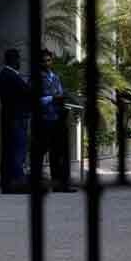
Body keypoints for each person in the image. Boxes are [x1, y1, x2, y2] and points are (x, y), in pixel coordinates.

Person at [30, 49, 77, 193]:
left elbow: (61, 94)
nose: (46, 63)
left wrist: (64, 98)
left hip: (58, 120)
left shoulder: (55, 77)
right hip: (43, 120)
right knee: (39, 154)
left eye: (48, 60)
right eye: (43, 61)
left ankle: (60, 185)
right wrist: (52, 98)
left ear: (52, 61)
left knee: (58, 154)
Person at [0, 49, 31, 191]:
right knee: (18, 149)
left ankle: (10, 183)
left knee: (11, 149)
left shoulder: (4, 75)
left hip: (11, 116)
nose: (19, 63)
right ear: (13, 60)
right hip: (16, 117)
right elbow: (26, 92)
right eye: (18, 60)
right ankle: (17, 183)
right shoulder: (10, 75)